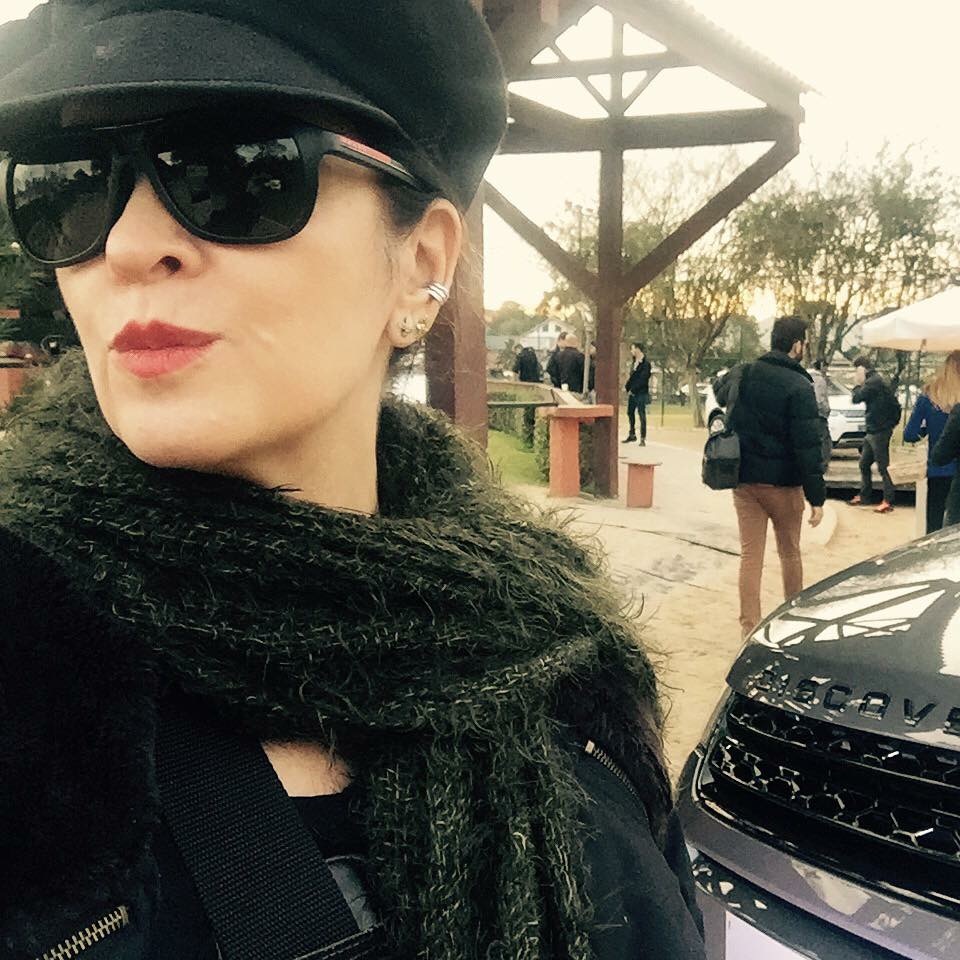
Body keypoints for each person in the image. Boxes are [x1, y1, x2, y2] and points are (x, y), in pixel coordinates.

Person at [0, 3, 705, 959]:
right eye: (68, 184)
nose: (126, 245)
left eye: (235, 171)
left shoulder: (552, 658)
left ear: (421, 264)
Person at [715, 317, 825, 638]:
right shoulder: (799, 386)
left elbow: (720, 392)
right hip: (784, 485)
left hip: (745, 479)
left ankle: (749, 628)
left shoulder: (745, 372)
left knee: (751, 556)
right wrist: (816, 497)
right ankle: (793, 620)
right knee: (789, 552)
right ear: (796, 344)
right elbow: (808, 446)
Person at [905, 351, 960, 532]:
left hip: (938, 470)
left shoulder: (929, 396)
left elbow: (910, 434)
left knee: (934, 528)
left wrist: (925, 429)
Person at [850, 356, 901, 513]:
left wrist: (857, 384)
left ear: (862, 368)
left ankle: (888, 500)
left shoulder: (873, 382)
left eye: (856, 370)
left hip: (879, 430)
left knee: (883, 466)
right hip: (873, 429)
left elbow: (856, 398)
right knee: (864, 463)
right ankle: (865, 495)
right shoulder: (876, 380)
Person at [807, 359, 834, 473]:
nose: (827, 369)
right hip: (820, 414)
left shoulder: (806, 377)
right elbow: (819, 398)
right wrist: (826, 410)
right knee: (826, 441)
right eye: (826, 366)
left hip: (810, 414)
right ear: (822, 366)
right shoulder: (820, 379)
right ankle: (822, 465)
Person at [623, 341, 651, 445]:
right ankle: (632, 434)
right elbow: (632, 377)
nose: (632, 351)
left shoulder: (646, 364)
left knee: (641, 414)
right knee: (630, 412)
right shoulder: (634, 362)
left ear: (638, 349)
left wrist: (634, 389)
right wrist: (627, 387)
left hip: (641, 393)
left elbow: (643, 379)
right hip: (632, 393)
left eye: (633, 348)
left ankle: (643, 437)